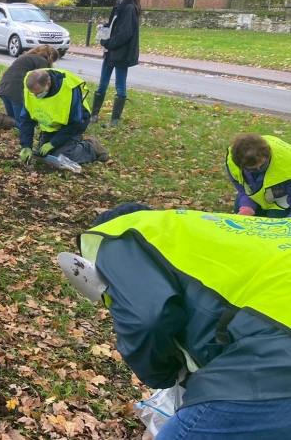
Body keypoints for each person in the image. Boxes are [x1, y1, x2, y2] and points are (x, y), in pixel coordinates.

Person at [61, 203, 291, 440]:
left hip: (272, 360)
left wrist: (161, 376)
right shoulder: (223, 232)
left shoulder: (122, 235)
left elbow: (147, 320)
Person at [18, 69, 108, 166]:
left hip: (74, 123)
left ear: (49, 83)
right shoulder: (31, 86)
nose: (35, 96)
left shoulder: (68, 89)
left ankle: (90, 147)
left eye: (39, 93)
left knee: (60, 158)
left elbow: (74, 123)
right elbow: (26, 119)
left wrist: (53, 143)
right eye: (33, 94)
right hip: (51, 124)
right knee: (45, 155)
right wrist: (26, 145)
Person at [91, 0, 141, 127]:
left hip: (121, 53)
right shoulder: (120, 7)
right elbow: (115, 25)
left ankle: (114, 121)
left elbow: (125, 33)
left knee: (120, 85)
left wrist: (107, 42)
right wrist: (104, 27)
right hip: (111, 51)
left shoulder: (129, 8)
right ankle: (94, 116)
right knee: (102, 84)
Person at [0, 45, 59, 131]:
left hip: (4, 86)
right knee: (23, 125)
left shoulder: (28, 57)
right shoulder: (41, 61)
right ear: (51, 58)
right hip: (16, 89)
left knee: (12, 120)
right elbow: (42, 81)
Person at [226, 133, 291, 218]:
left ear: (267, 155)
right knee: (240, 206)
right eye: (252, 169)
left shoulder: (287, 163)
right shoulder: (233, 164)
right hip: (260, 196)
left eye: (263, 165)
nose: (258, 169)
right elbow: (243, 189)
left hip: (283, 200)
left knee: (274, 221)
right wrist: (247, 206)